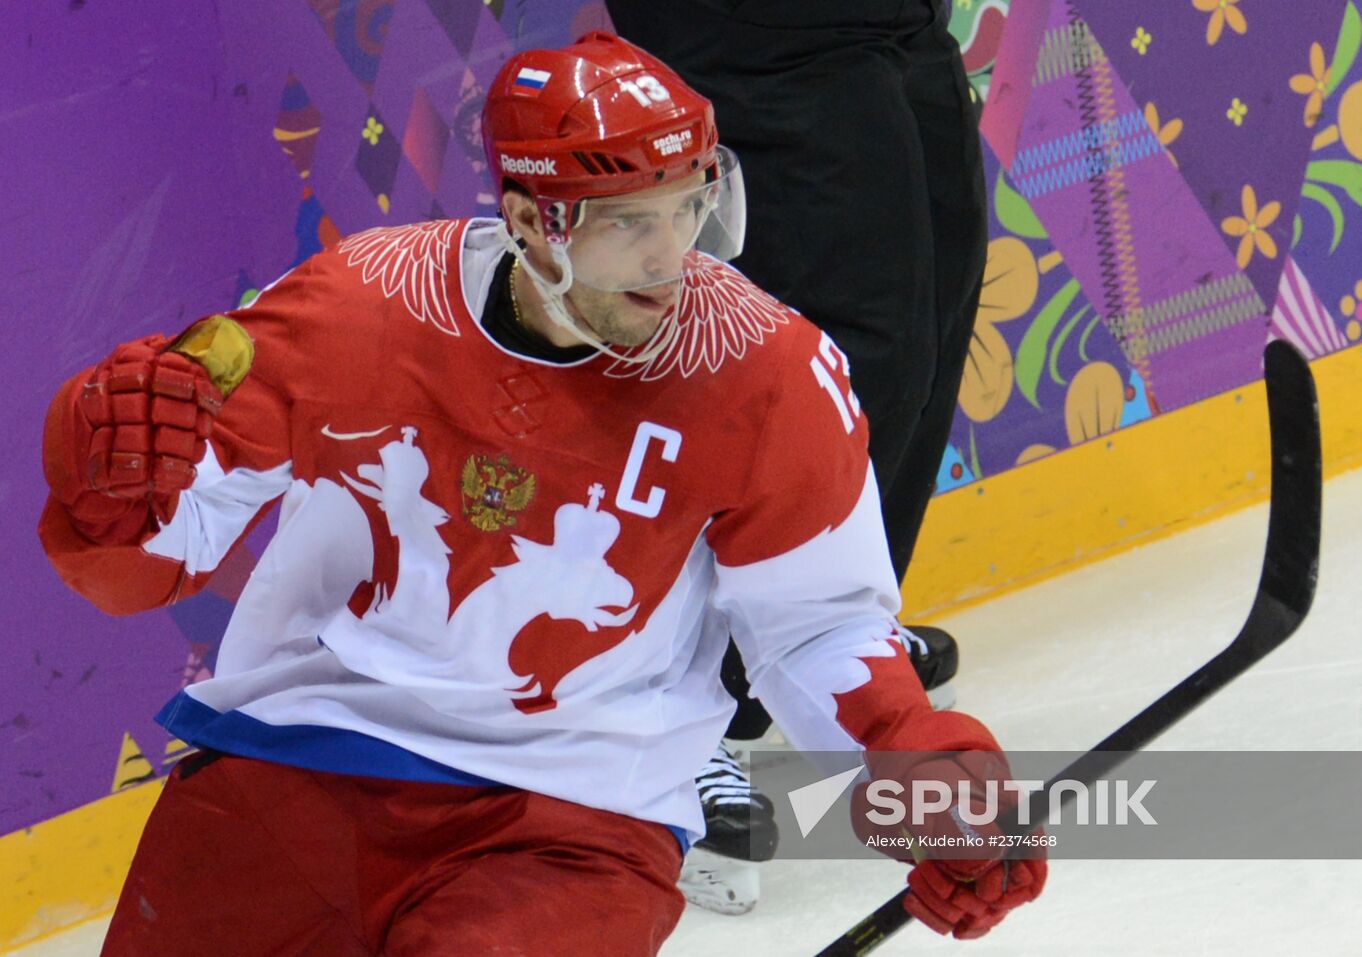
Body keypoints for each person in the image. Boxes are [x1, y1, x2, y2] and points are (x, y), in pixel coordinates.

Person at [37, 32, 1041, 956]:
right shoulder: (354, 312)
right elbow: (151, 565)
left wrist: (910, 764)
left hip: (572, 813)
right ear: (529, 221)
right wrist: (110, 496)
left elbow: (815, 626)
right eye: (629, 225)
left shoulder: (763, 371)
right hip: (303, 760)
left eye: (692, 204)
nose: (670, 260)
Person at [605, 0, 983, 908]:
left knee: (926, 326)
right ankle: (690, 717)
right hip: (761, 29)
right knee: (853, 347)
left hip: (887, 20)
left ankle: (836, 636)